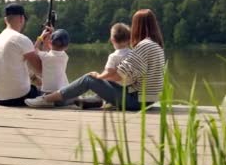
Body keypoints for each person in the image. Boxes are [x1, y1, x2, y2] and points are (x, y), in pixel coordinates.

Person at [25, 9, 165, 110]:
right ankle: (86, 100)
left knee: (89, 79)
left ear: (137, 26)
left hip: (136, 102)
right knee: (98, 83)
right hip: (147, 100)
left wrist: (99, 77)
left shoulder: (144, 46)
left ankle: (47, 99)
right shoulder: (156, 46)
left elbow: (120, 74)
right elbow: (130, 76)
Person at [0, 3, 47, 107]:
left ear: (5, 20)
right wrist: (48, 44)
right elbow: (41, 70)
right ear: (21, 19)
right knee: (53, 94)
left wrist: (41, 39)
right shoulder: (20, 39)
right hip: (20, 97)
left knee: (38, 86)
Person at [75, 23, 131, 109]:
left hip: (116, 89)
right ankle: (98, 100)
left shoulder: (114, 56)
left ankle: (102, 100)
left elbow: (109, 72)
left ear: (112, 40)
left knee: (102, 79)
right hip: (129, 90)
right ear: (129, 39)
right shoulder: (132, 54)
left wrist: (98, 76)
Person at [34, 28, 70, 95]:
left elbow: (35, 49)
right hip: (61, 91)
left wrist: (41, 36)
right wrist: (53, 33)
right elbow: (52, 49)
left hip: (47, 92)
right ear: (66, 47)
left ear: (50, 43)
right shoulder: (65, 57)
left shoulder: (45, 56)